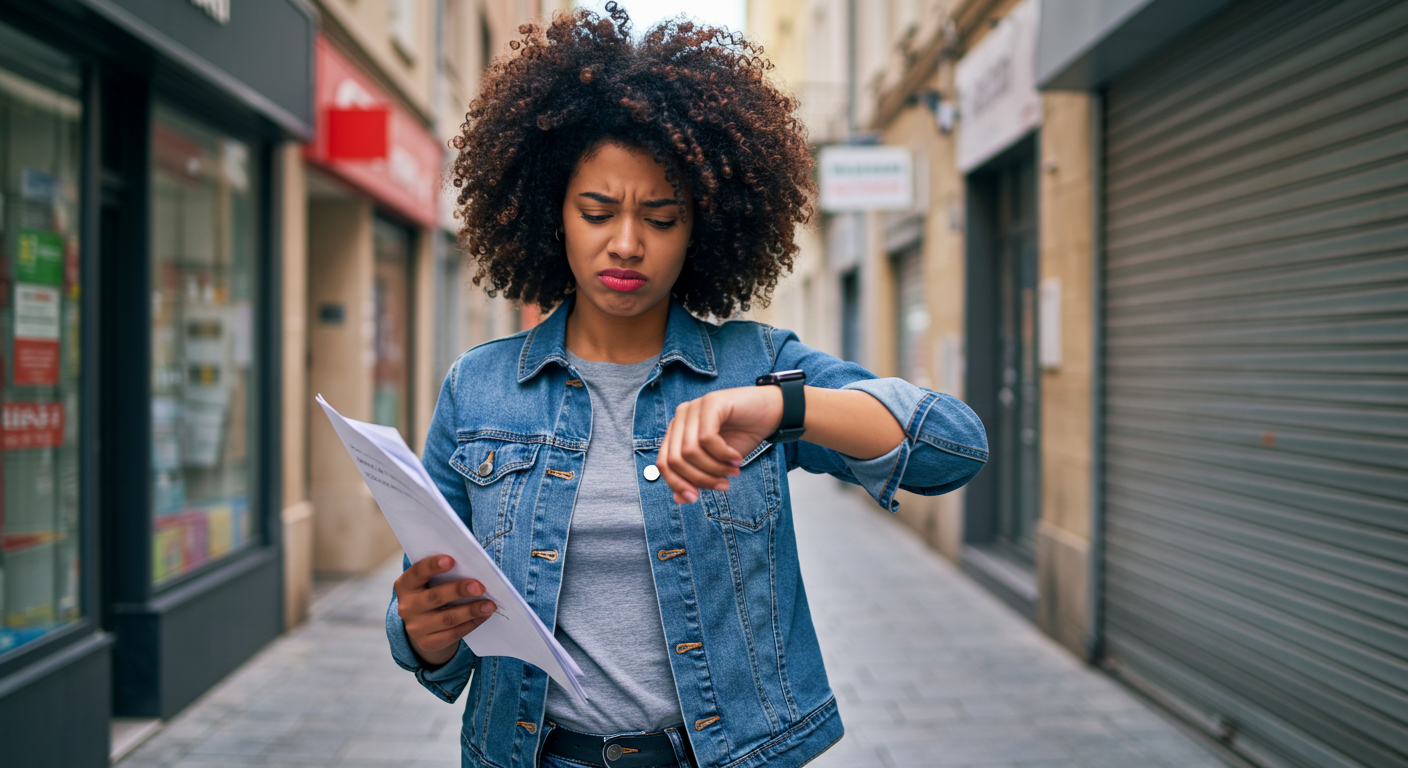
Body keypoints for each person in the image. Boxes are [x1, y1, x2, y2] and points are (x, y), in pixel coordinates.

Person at [386, 5, 988, 768]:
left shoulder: (753, 364)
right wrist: (421, 636)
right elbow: (429, 616)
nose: (627, 243)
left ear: (702, 226)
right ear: (552, 216)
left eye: (661, 218)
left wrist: (780, 405)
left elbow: (954, 448)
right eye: (597, 211)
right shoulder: (478, 389)